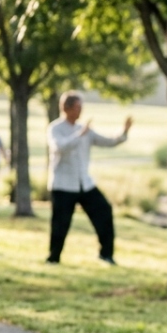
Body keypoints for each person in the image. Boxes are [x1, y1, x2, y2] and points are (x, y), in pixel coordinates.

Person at [45, 92, 132, 265]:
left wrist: (124, 132)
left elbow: (108, 142)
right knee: (60, 224)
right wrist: (80, 135)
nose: (80, 111)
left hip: (84, 184)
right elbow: (59, 147)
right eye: (78, 107)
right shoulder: (55, 128)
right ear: (66, 108)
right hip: (63, 185)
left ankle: (106, 254)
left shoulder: (84, 129)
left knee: (104, 211)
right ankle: (53, 258)